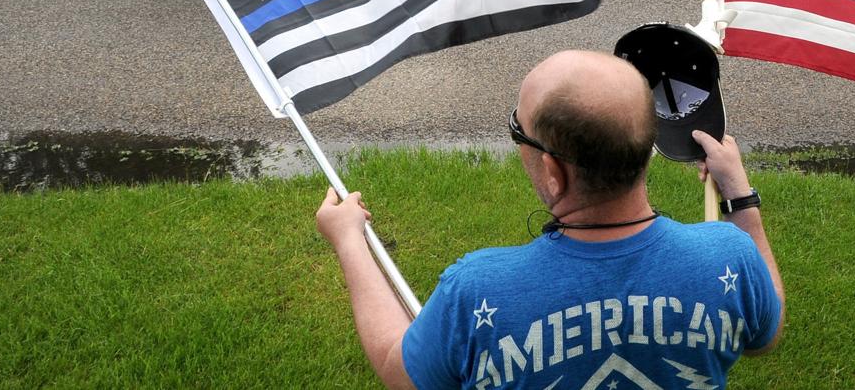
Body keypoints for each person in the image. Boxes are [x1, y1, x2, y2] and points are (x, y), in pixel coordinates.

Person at [316, 50, 784, 390]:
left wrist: (349, 241)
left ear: (554, 173)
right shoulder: (729, 256)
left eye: (518, 129)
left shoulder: (477, 289)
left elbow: (403, 374)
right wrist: (741, 199)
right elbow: (765, 336)